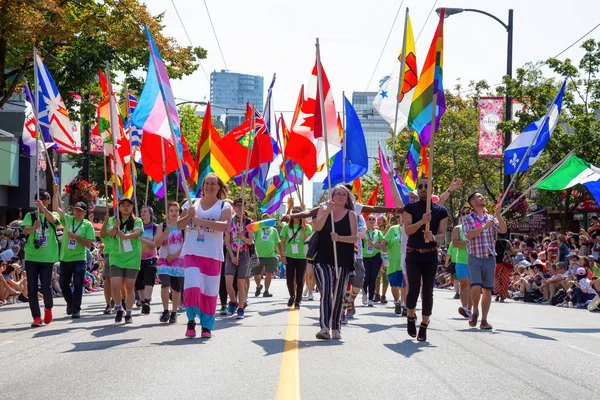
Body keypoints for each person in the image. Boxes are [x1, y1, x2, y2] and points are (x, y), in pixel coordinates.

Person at [178, 173, 232, 338]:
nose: (209, 186)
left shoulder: (224, 206)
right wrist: (189, 215)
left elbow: (225, 226)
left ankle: (207, 327)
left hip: (213, 254)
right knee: (192, 287)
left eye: (213, 184)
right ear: (202, 186)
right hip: (192, 252)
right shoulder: (191, 203)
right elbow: (178, 224)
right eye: (206, 183)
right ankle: (190, 320)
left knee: (209, 292)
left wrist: (202, 222)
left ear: (218, 187)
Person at [402, 177, 449, 342]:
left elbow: (443, 234)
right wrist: (422, 221)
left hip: (430, 254)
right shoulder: (409, 208)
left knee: (428, 290)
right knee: (413, 288)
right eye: (420, 186)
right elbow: (408, 230)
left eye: (426, 186)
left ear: (432, 190)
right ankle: (410, 316)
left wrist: (434, 236)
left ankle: (424, 323)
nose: (423, 189)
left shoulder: (441, 211)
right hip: (413, 254)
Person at [312, 185, 357, 340]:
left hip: (343, 260)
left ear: (347, 199)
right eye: (337, 194)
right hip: (323, 259)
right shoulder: (323, 209)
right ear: (332, 196)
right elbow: (317, 227)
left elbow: (354, 238)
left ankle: (336, 326)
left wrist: (339, 238)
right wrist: (327, 212)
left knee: (338, 294)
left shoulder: (351, 214)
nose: (340, 196)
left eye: (344, 195)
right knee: (326, 290)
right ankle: (324, 327)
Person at [462, 192, 507, 330]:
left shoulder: (491, 218)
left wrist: (498, 214)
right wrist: (483, 227)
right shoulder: (468, 218)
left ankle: (484, 320)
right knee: (476, 285)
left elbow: (503, 230)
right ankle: (475, 310)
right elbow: (469, 235)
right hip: (475, 256)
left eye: (482, 196)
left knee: (487, 290)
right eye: (479, 197)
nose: (483, 198)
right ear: (473, 203)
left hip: (489, 257)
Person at [52, 184, 95, 319]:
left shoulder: (87, 225)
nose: (77, 212)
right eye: (76, 210)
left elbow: (88, 244)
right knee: (64, 284)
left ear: (84, 213)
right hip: (65, 258)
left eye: (80, 211)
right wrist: (55, 191)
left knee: (77, 284)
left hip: (79, 259)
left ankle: (76, 309)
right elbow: (55, 208)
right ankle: (70, 302)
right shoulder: (68, 219)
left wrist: (75, 237)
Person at [21, 191, 60, 327]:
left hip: (47, 257)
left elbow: (54, 221)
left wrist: (43, 209)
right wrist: (34, 227)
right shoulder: (30, 216)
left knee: (46, 287)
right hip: (32, 256)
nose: (42, 201)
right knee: (31, 288)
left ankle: (48, 308)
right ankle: (36, 317)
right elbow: (25, 230)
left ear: (49, 201)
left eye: (45, 199)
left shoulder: (52, 214)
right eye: (40, 199)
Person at [107, 198, 143, 324]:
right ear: (119, 207)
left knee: (129, 287)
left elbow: (138, 232)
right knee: (115, 285)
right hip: (116, 256)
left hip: (132, 258)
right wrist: (115, 228)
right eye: (123, 205)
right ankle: (118, 308)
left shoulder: (137, 220)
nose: (126, 207)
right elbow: (110, 234)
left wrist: (125, 236)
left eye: (128, 205)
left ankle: (128, 312)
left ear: (132, 207)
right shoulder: (113, 219)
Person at [154, 201, 185, 324]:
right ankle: (165, 310)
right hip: (164, 259)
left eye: (176, 210)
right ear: (167, 213)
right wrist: (163, 235)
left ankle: (174, 312)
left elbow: (186, 244)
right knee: (165, 284)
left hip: (178, 261)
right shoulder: (161, 226)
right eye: (171, 210)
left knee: (177, 289)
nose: (174, 213)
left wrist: (175, 256)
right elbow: (156, 244)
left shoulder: (183, 227)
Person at [224, 197, 254, 319]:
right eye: (237, 206)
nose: (239, 209)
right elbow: (227, 241)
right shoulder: (229, 221)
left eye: (242, 206)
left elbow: (251, 241)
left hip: (244, 253)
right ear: (234, 208)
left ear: (245, 208)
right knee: (228, 282)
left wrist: (243, 238)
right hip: (232, 253)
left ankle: (241, 308)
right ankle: (233, 301)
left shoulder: (249, 222)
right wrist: (232, 256)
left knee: (240, 283)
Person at [280, 206, 312, 308]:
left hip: (302, 256)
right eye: (293, 212)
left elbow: (308, 241)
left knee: (299, 279)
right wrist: (282, 255)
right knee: (289, 278)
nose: (295, 215)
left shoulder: (307, 227)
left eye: (298, 212)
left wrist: (303, 231)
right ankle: (292, 296)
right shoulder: (286, 227)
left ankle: (298, 300)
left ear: (302, 214)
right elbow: (282, 242)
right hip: (289, 256)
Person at [342, 212, 366, 322]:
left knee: (358, 282)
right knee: (346, 282)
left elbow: (362, 234)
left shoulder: (358, 217)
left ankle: (350, 300)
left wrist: (349, 233)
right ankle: (343, 310)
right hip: (344, 254)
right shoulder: (339, 215)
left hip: (358, 255)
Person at [381, 215, 406, 315]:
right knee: (395, 286)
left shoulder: (410, 229)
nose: (401, 219)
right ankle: (397, 303)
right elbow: (383, 243)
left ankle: (404, 305)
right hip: (393, 264)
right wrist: (385, 258)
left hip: (406, 264)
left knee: (405, 286)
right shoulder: (393, 229)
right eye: (400, 217)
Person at [135, 206, 158, 315]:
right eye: (141, 211)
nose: (143, 213)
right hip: (137, 259)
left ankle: (147, 301)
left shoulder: (155, 227)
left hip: (151, 258)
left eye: (145, 211)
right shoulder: (137, 227)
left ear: (150, 214)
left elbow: (155, 244)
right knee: (139, 283)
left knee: (149, 280)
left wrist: (141, 238)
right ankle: (144, 302)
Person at [253, 215, 281, 298]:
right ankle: (258, 286)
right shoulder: (257, 229)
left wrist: (281, 254)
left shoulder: (274, 230)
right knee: (257, 274)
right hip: (259, 255)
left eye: (267, 219)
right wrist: (254, 224)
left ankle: (266, 291)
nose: (266, 220)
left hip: (271, 255)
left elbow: (278, 242)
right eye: (264, 219)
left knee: (269, 274)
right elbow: (251, 235)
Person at [451, 209, 472, 317]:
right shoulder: (457, 228)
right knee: (464, 285)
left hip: (474, 261)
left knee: (472, 286)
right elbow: (454, 244)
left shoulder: (477, 226)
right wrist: (466, 242)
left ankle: (470, 309)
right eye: (464, 214)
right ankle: (464, 308)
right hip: (461, 261)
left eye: (468, 213)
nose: (466, 215)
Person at [361, 214, 385, 307]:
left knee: (373, 278)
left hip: (376, 257)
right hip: (365, 257)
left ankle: (371, 299)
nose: (371, 220)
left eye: (373, 219)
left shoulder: (378, 233)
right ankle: (364, 294)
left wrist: (374, 244)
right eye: (369, 219)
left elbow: (382, 245)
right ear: (366, 221)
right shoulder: (363, 232)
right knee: (366, 278)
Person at [494, 234, 515, 303]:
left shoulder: (495, 242)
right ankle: (502, 297)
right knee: (504, 280)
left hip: (497, 263)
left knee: (496, 278)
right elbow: (513, 252)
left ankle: (498, 292)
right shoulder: (508, 242)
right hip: (506, 263)